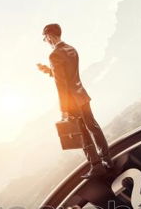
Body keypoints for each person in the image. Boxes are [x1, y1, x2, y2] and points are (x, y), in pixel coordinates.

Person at [37, 23, 112, 178]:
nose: (46, 41)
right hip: (81, 95)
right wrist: (48, 70)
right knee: (93, 127)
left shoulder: (54, 55)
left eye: (45, 38)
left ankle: (96, 166)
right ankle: (107, 160)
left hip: (71, 101)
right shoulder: (71, 49)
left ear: (50, 36)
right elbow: (68, 75)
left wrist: (63, 109)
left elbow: (61, 84)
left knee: (81, 133)